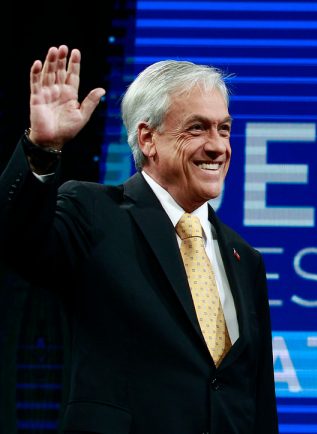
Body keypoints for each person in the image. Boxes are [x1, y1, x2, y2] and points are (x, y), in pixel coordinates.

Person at [0, 45, 278, 433]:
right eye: (197, 128)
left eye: (224, 129)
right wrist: (42, 149)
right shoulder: (95, 213)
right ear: (148, 139)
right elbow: (18, 243)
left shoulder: (244, 258)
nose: (218, 146)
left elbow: (257, 398)